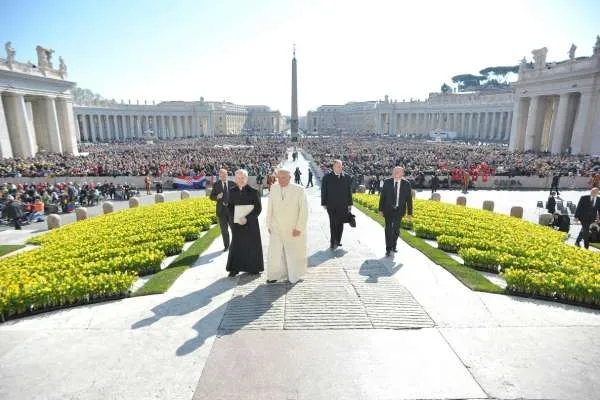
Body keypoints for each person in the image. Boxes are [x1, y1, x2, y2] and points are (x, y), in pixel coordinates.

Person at [266, 168, 308, 284]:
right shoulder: (274, 187)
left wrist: (299, 228)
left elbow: (304, 210)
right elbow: (270, 207)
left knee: (293, 253)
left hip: (292, 228)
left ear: (290, 177)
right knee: (274, 253)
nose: (281, 180)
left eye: (283, 177)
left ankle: (294, 275)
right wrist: (268, 224)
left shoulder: (299, 190)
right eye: (279, 178)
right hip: (276, 227)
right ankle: (274, 276)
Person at [225, 169, 264, 277]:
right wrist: (236, 217)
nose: (241, 180)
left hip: (251, 224)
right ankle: (234, 269)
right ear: (236, 179)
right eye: (238, 178)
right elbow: (229, 207)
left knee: (252, 246)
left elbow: (258, 209)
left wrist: (247, 218)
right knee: (237, 246)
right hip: (237, 224)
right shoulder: (232, 191)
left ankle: (254, 268)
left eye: (243, 178)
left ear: (246, 178)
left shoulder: (254, 191)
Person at [378, 166, 413, 256]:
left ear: (402, 173)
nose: (396, 173)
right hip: (388, 209)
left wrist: (409, 213)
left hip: (399, 210)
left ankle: (394, 245)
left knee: (396, 230)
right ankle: (388, 248)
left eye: (398, 172)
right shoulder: (387, 182)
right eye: (395, 171)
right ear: (392, 172)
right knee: (388, 229)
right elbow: (383, 197)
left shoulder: (406, 184)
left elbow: (409, 199)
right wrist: (380, 210)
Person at [321, 159, 352, 250]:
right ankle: (332, 241)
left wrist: (350, 204)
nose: (339, 168)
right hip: (331, 205)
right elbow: (324, 191)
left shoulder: (347, 177)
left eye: (341, 166)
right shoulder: (327, 177)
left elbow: (349, 192)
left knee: (340, 223)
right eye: (337, 166)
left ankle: (338, 241)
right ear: (333, 167)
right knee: (333, 223)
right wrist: (324, 203)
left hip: (343, 205)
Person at [210, 168, 234, 252]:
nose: (223, 176)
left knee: (234, 229)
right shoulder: (216, 184)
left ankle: (235, 245)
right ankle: (226, 246)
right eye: (221, 175)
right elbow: (211, 196)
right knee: (224, 230)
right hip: (221, 211)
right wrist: (217, 197)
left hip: (231, 211)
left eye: (225, 175)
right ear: (219, 176)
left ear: (227, 175)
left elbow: (238, 195)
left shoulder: (232, 184)